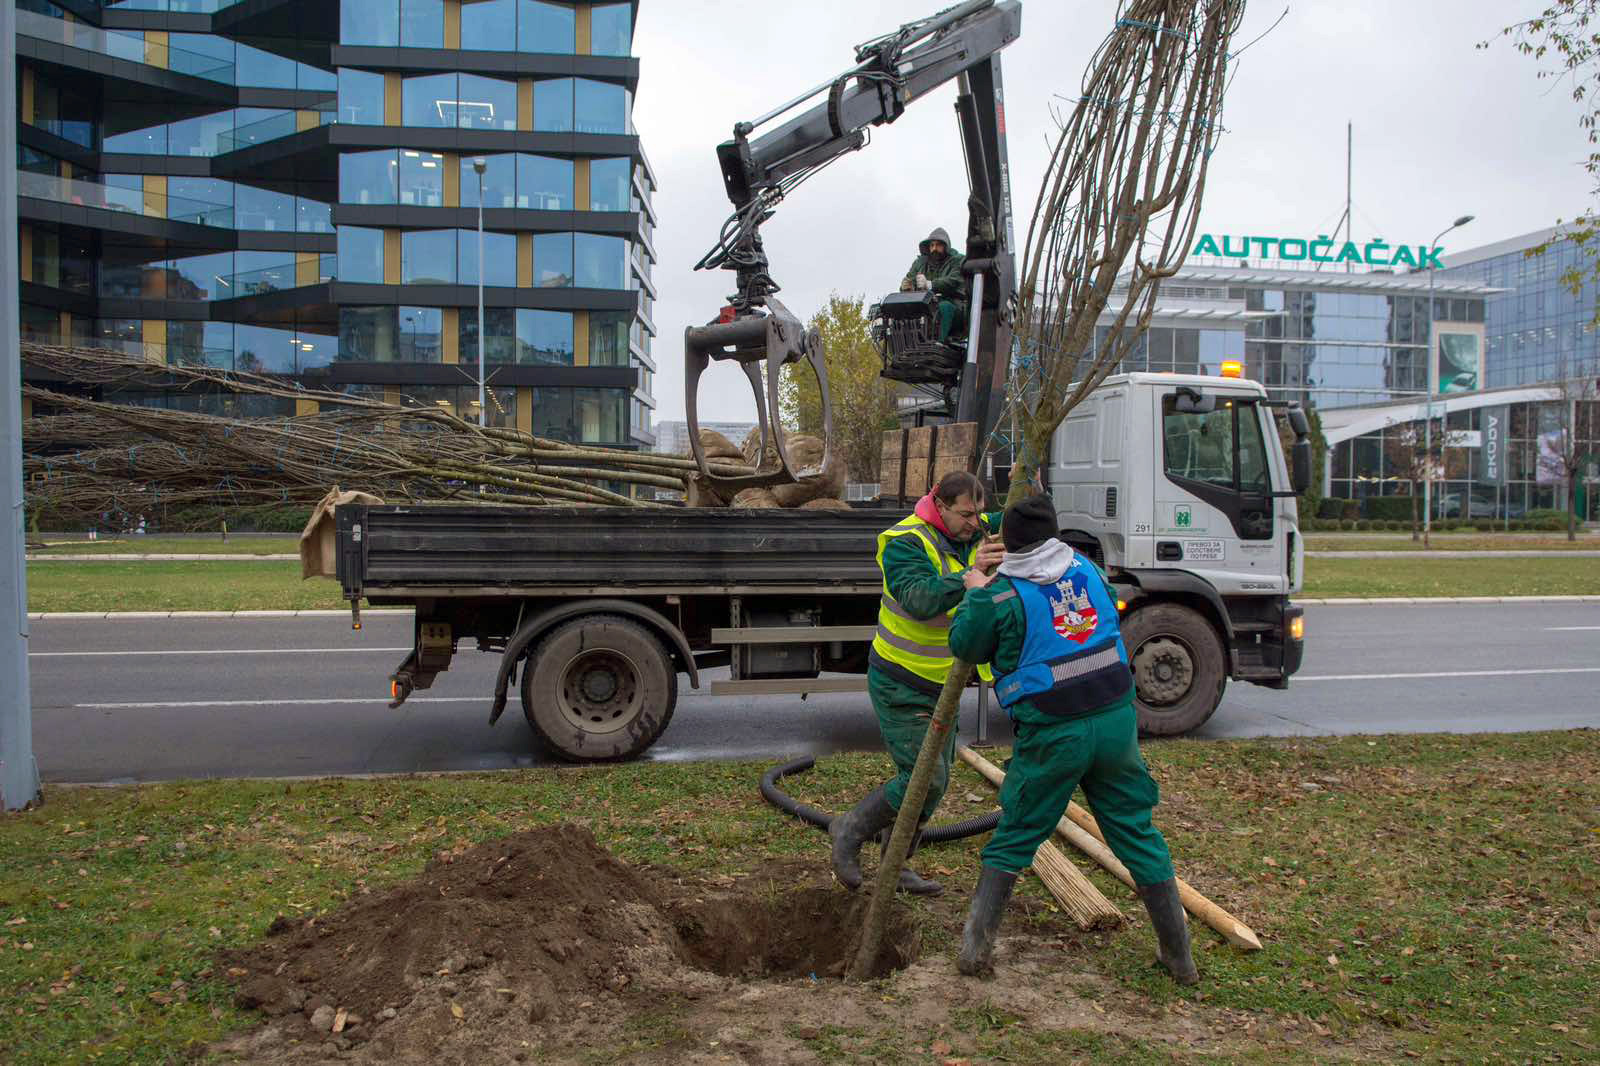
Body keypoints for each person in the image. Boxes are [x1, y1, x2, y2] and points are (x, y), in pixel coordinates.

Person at [947, 493, 1197, 984]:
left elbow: (966, 644)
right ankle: (1179, 957)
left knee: (1018, 833)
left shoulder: (1001, 596)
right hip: (1116, 723)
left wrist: (975, 586)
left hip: (1053, 731)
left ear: (1010, 546)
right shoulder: (1086, 567)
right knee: (1135, 832)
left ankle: (975, 952)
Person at [830, 470, 1003, 896]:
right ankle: (848, 830)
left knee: (933, 781)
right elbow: (920, 599)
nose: (975, 522)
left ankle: (896, 865)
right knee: (925, 778)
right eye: (966, 513)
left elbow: (1012, 517)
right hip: (901, 682)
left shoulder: (972, 530)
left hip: (942, 683)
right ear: (940, 505)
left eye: (980, 513)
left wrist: (1028, 486)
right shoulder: (905, 541)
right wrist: (969, 576)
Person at [899, 227, 967, 344]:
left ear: (946, 246)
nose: (934, 249)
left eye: (938, 245)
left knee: (944, 307)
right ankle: (906, 346)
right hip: (925, 306)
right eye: (932, 245)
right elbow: (910, 279)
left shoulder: (958, 260)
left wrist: (930, 284)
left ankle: (938, 344)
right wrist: (906, 287)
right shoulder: (920, 264)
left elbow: (954, 280)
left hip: (954, 306)